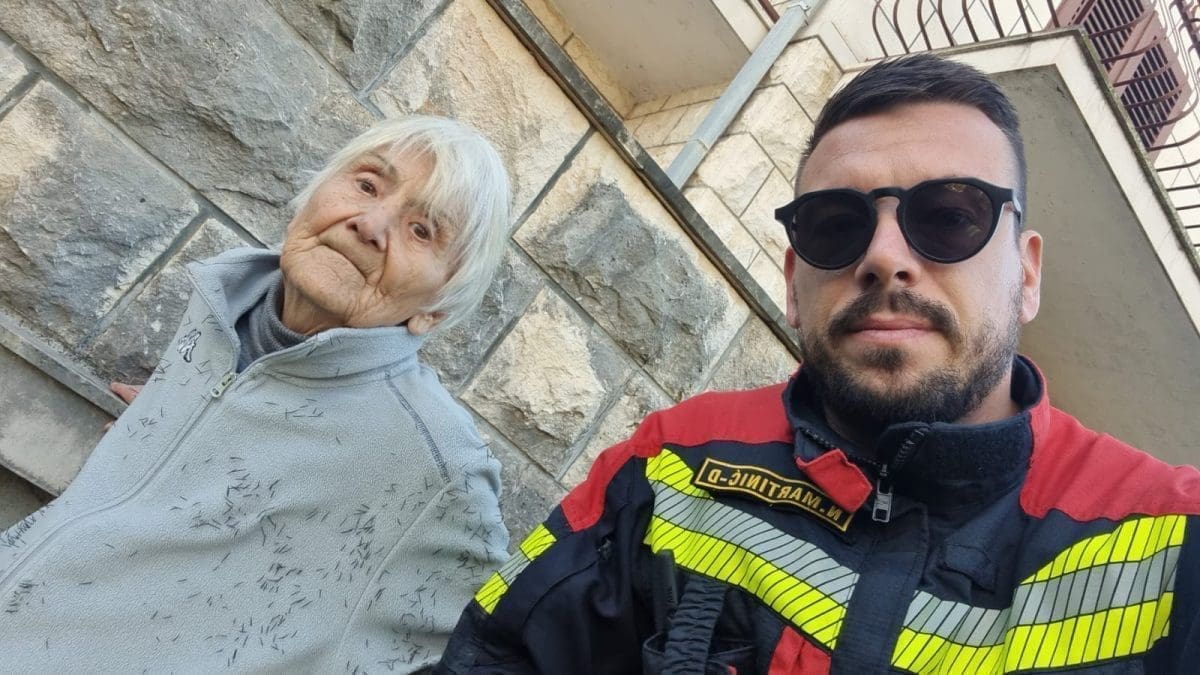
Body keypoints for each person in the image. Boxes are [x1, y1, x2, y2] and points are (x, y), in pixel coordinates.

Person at [435, 55, 1200, 673]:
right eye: (836, 225)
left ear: (1026, 274)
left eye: (949, 216)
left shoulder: (1172, 542)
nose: (885, 256)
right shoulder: (673, 463)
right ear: (793, 282)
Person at [0, 115, 511, 672]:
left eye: (422, 231)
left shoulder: (436, 466)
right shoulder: (224, 311)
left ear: (437, 308)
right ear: (311, 196)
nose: (369, 224)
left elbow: (499, 644)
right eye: (367, 185)